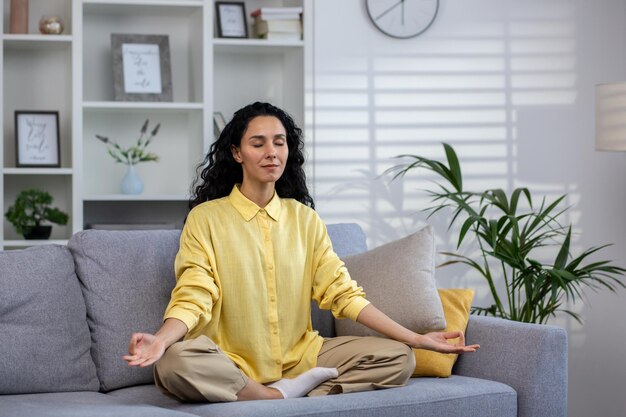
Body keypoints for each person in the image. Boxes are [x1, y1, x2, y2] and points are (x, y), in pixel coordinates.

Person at [123, 102, 479, 403]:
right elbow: (194, 292)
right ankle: (275, 397)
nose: (271, 152)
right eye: (258, 143)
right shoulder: (206, 219)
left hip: (302, 356)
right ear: (237, 153)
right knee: (173, 364)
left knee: (400, 359)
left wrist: (417, 339)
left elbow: (343, 294)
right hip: (229, 361)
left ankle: (279, 390)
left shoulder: (305, 220)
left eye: (279, 142)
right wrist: (161, 339)